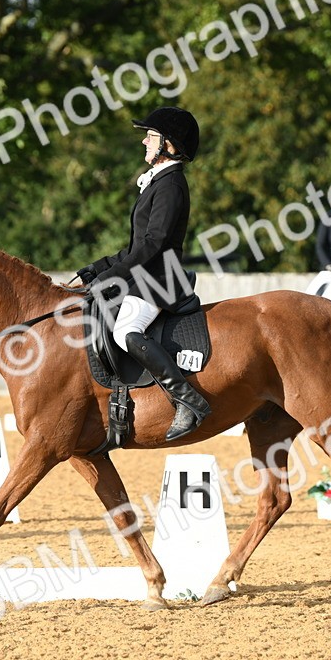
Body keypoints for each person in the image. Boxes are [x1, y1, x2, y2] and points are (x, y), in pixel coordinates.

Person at [76, 106, 209, 441]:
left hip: (161, 279)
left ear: (170, 145)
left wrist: (111, 278)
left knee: (126, 332)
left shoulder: (171, 184)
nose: (144, 143)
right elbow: (135, 247)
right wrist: (97, 269)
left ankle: (188, 401)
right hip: (146, 275)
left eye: (151, 137)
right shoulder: (158, 182)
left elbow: (155, 244)